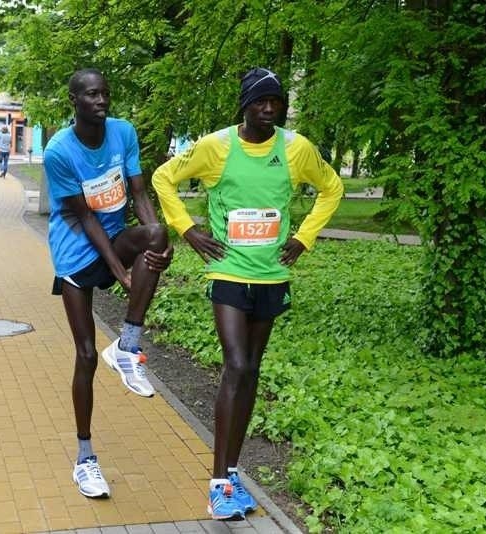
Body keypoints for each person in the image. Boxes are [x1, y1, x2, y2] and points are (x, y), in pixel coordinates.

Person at [152, 67, 343, 521]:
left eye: (276, 102)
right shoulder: (216, 146)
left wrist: (305, 237)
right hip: (229, 271)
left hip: (272, 275)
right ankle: (219, 484)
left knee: (251, 370)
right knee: (236, 363)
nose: (270, 109)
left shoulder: (296, 149)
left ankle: (232, 472)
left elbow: (332, 188)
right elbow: (163, 178)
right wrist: (189, 230)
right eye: (261, 102)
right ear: (244, 105)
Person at [44, 68, 173, 499]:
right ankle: (85, 459)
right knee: (84, 354)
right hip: (77, 253)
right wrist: (120, 271)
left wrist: (159, 240)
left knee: (155, 236)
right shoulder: (59, 151)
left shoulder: (123, 133)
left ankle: (128, 345)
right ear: (74, 100)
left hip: (115, 237)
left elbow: (138, 193)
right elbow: (84, 217)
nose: (102, 101)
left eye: (106, 93)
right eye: (93, 95)